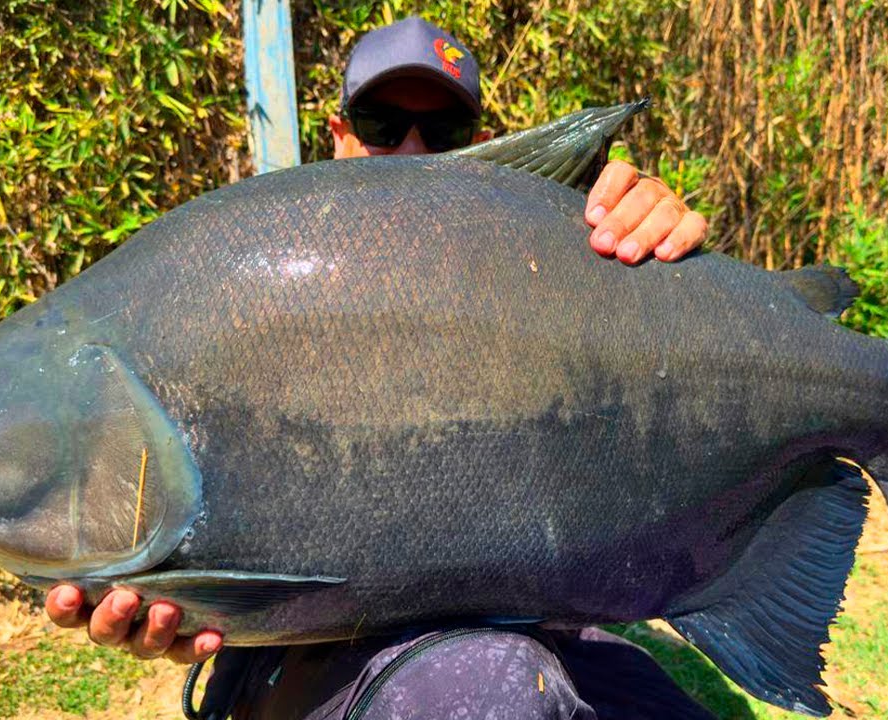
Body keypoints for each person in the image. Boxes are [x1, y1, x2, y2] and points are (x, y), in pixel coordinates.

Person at [45, 17, 716, 719]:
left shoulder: (544, 268)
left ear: (485, 149)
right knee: (493, 688)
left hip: (535, 619)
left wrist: (658, 249)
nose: (413, 151)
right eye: (381, 124)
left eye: (446, 133)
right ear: (338, 136)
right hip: (317, 648)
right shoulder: (254, 278)